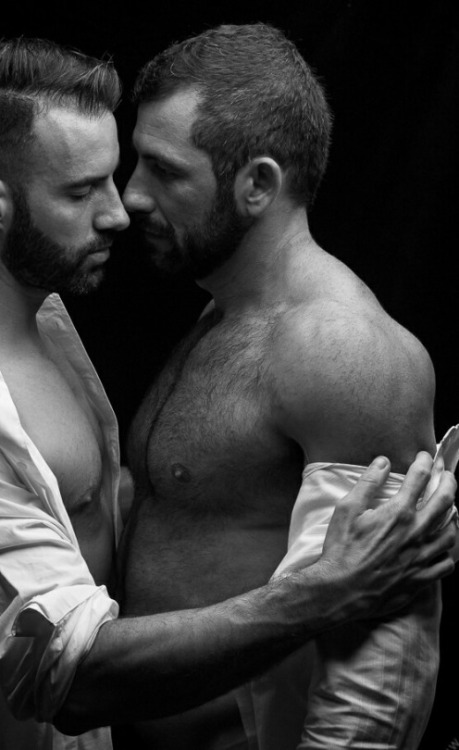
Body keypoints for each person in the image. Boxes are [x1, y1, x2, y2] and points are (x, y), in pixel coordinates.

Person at [0, 35, 456, 750]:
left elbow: (375, 686)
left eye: (163, 171)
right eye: (121, 171)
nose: (131, 201)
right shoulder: (219, 316)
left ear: (257, 185)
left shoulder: (344, 352)